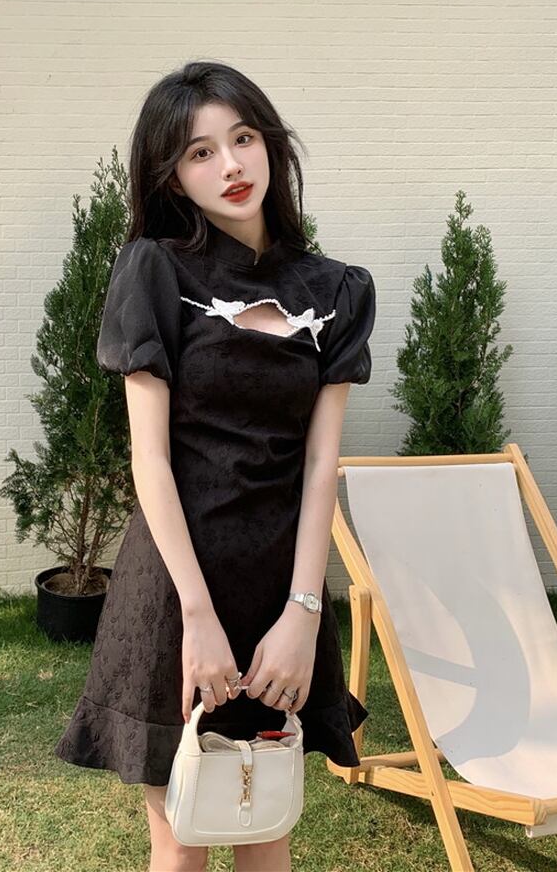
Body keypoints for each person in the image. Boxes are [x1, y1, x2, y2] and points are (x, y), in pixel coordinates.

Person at [54, 60, 376, 872]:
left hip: (281, 592)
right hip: (175, 591)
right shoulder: (155, 271)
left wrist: (304, 612)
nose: (230, 165)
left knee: (266, 826)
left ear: (271, 145)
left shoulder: (335, 290)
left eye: (243, 139)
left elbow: (320, 463)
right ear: (172, 176)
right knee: (183, 839)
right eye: (200, 153)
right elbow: (150, 459)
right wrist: (196, 618)